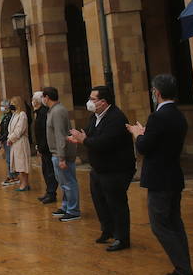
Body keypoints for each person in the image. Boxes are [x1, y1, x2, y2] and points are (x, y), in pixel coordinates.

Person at [128, 74, 193, 275]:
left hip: (160, 178)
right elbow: (163, 142)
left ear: (156, 92)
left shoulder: (158, 117)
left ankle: (187, 273)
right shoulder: (177, 115)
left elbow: (145, 147)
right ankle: (180, 268)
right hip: (173, 175)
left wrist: (138, 134)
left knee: (160, 226)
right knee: (175, 223)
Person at [68, 85, 135, 251]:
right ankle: (108, 230)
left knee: (116, 204)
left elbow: (104, 143)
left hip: (116, 169)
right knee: (100, 201)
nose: (89, 102)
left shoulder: (116, 118)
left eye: (93, 99)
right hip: (99, 169)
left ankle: (122, 238)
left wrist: (84, 140)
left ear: (103, 102)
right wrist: (81, 138)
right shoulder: (95, 117)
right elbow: (91, 136)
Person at [42, 88, 81, 222]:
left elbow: (60, 135)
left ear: (47, 97)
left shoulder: (58, 111)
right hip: (56, 152)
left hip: (60, 153)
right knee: (63, 182)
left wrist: (61, 157)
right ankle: (66, 206)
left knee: (69, 182)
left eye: (43, 97)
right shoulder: (54, 110)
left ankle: (73, 210)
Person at [32, 92, 59, 203]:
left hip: (47, 147)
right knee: (45, 170)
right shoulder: (39, 112)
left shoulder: (43, 113)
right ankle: (49, 191)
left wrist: (41, 147)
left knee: (50, 171)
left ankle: (51, 193)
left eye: (33, 99)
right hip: (42, 146)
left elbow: (44, 132)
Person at [6, 96, 32, 192]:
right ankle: (23, 183)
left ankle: (25, 184)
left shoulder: (22, 115)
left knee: (22, 164)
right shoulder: (14, 115)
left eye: (13, 103)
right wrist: (10, 138)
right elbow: (11, 129)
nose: (11, 105)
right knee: (18, 164)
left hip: (20, 142)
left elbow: (19, 129)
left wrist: (11, 138)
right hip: (14, 142)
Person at [0, 102, 17, 186]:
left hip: (8, 139)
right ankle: (11, 174)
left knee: (9, 158)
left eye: (3, 106)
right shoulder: (4, 116)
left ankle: (12, 176)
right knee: (8, 158)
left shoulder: (9, 116)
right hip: (5, 139)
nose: (2, 108)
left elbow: (7, 130)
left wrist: (0, 139)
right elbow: (2, 129)